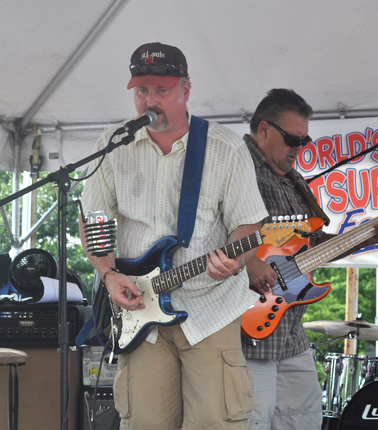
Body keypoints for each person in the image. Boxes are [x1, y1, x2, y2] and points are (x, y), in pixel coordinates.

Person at [79, 42, 269, 429]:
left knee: (215, 422)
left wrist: (236, 259)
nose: (150, 101)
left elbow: (250, 223)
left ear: (186, 89)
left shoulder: (225, 148)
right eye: (142, 91)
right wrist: (109, 275)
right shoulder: (113, 145)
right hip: (138, 310)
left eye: (162, 91)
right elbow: (95, 221)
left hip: (210, 309)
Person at [242, 88, 378, 430]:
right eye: (293, 140)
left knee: (304, 420)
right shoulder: (236, 167)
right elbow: (205, 231)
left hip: (290, 330)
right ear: (264, 129)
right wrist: (247, 261)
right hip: (247, 330)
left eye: (304, 140)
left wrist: (362, 238)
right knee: (252, 421)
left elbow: (312, 248)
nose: (300, 148)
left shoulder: (293, 181)